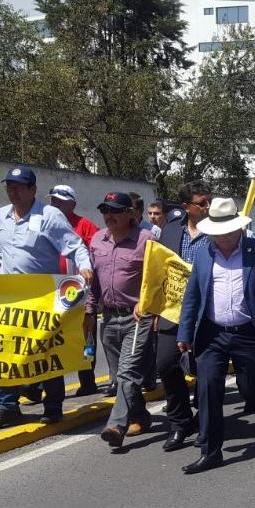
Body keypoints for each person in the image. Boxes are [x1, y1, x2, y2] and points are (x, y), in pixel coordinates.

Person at [177, 197, 255, 474]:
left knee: (251, 388)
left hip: (248, 332)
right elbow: (192, 295)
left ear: (239, 228)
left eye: (228, 231)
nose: (224, 237)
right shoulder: (204, 254)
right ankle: (211, 451)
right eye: (218, 232)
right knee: (208, 389)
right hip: (212, 333)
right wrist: (185, 332)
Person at [0, 166, 93, 430]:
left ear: (32, 190)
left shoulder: (50, 215)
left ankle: (53, 406)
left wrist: (84, 266)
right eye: (9, 187)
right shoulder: (1, 215)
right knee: (3, 350)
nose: (13, 192)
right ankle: (7, 406)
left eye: (19, 187)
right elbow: (3, 252)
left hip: (42, 297)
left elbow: (75, 245)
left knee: (46, 353)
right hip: (9, 298)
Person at [88, 192, 157, 448]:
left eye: (115, 210)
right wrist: (89, 312)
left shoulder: (146, 240)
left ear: (129, 213)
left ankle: (116, 425)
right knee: (120, 376)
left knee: (128, 372)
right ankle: (140, 415)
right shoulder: (97, 240)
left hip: (137, 318)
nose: (109, 216)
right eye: (105, 210)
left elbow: (159, 278)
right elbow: (94, 282)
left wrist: (146, 302)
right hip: (108, 318)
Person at [154, 180, 212, 451]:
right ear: (187, 207)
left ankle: (206, 419)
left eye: (209, 201)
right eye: (202, 203)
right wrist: (155, 308)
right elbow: (159, 271)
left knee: (205, 368)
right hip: (173, 310)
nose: (208, 206)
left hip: (207, 311)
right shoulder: (169, 231)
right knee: (166, 363)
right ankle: (179, 422)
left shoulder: (218, 231)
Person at [48, 185, 102, 396]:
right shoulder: (45, 222)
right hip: (53, 291)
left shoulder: (85, 225)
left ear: (73, 204)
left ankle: (87, 379)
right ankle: (42, 386)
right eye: (53, 200)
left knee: (85, 338)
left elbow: (99, 253)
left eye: (60, 201)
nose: (55, 204)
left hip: (80, 292)